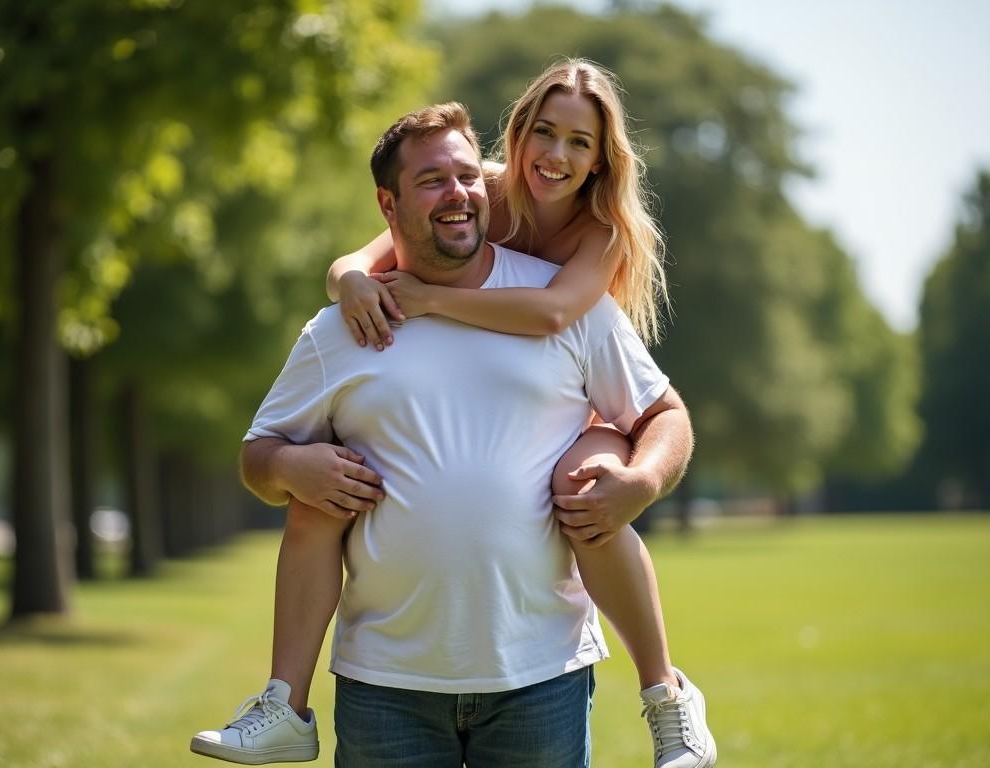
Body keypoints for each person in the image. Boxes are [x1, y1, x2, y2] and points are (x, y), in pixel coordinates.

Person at [191, 65, 713, 768]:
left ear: (600, 160)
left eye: (579, 143)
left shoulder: (589, 264)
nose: (556, 156)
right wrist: (290, 460)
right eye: (545, 135)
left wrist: (643, 479)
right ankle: (284, 705)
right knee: (313, 496)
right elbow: (260, 453)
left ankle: (667, 694)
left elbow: (646, 398)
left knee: (588, 479)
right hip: (386, 684)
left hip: (539, 677)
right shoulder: (356, 317)